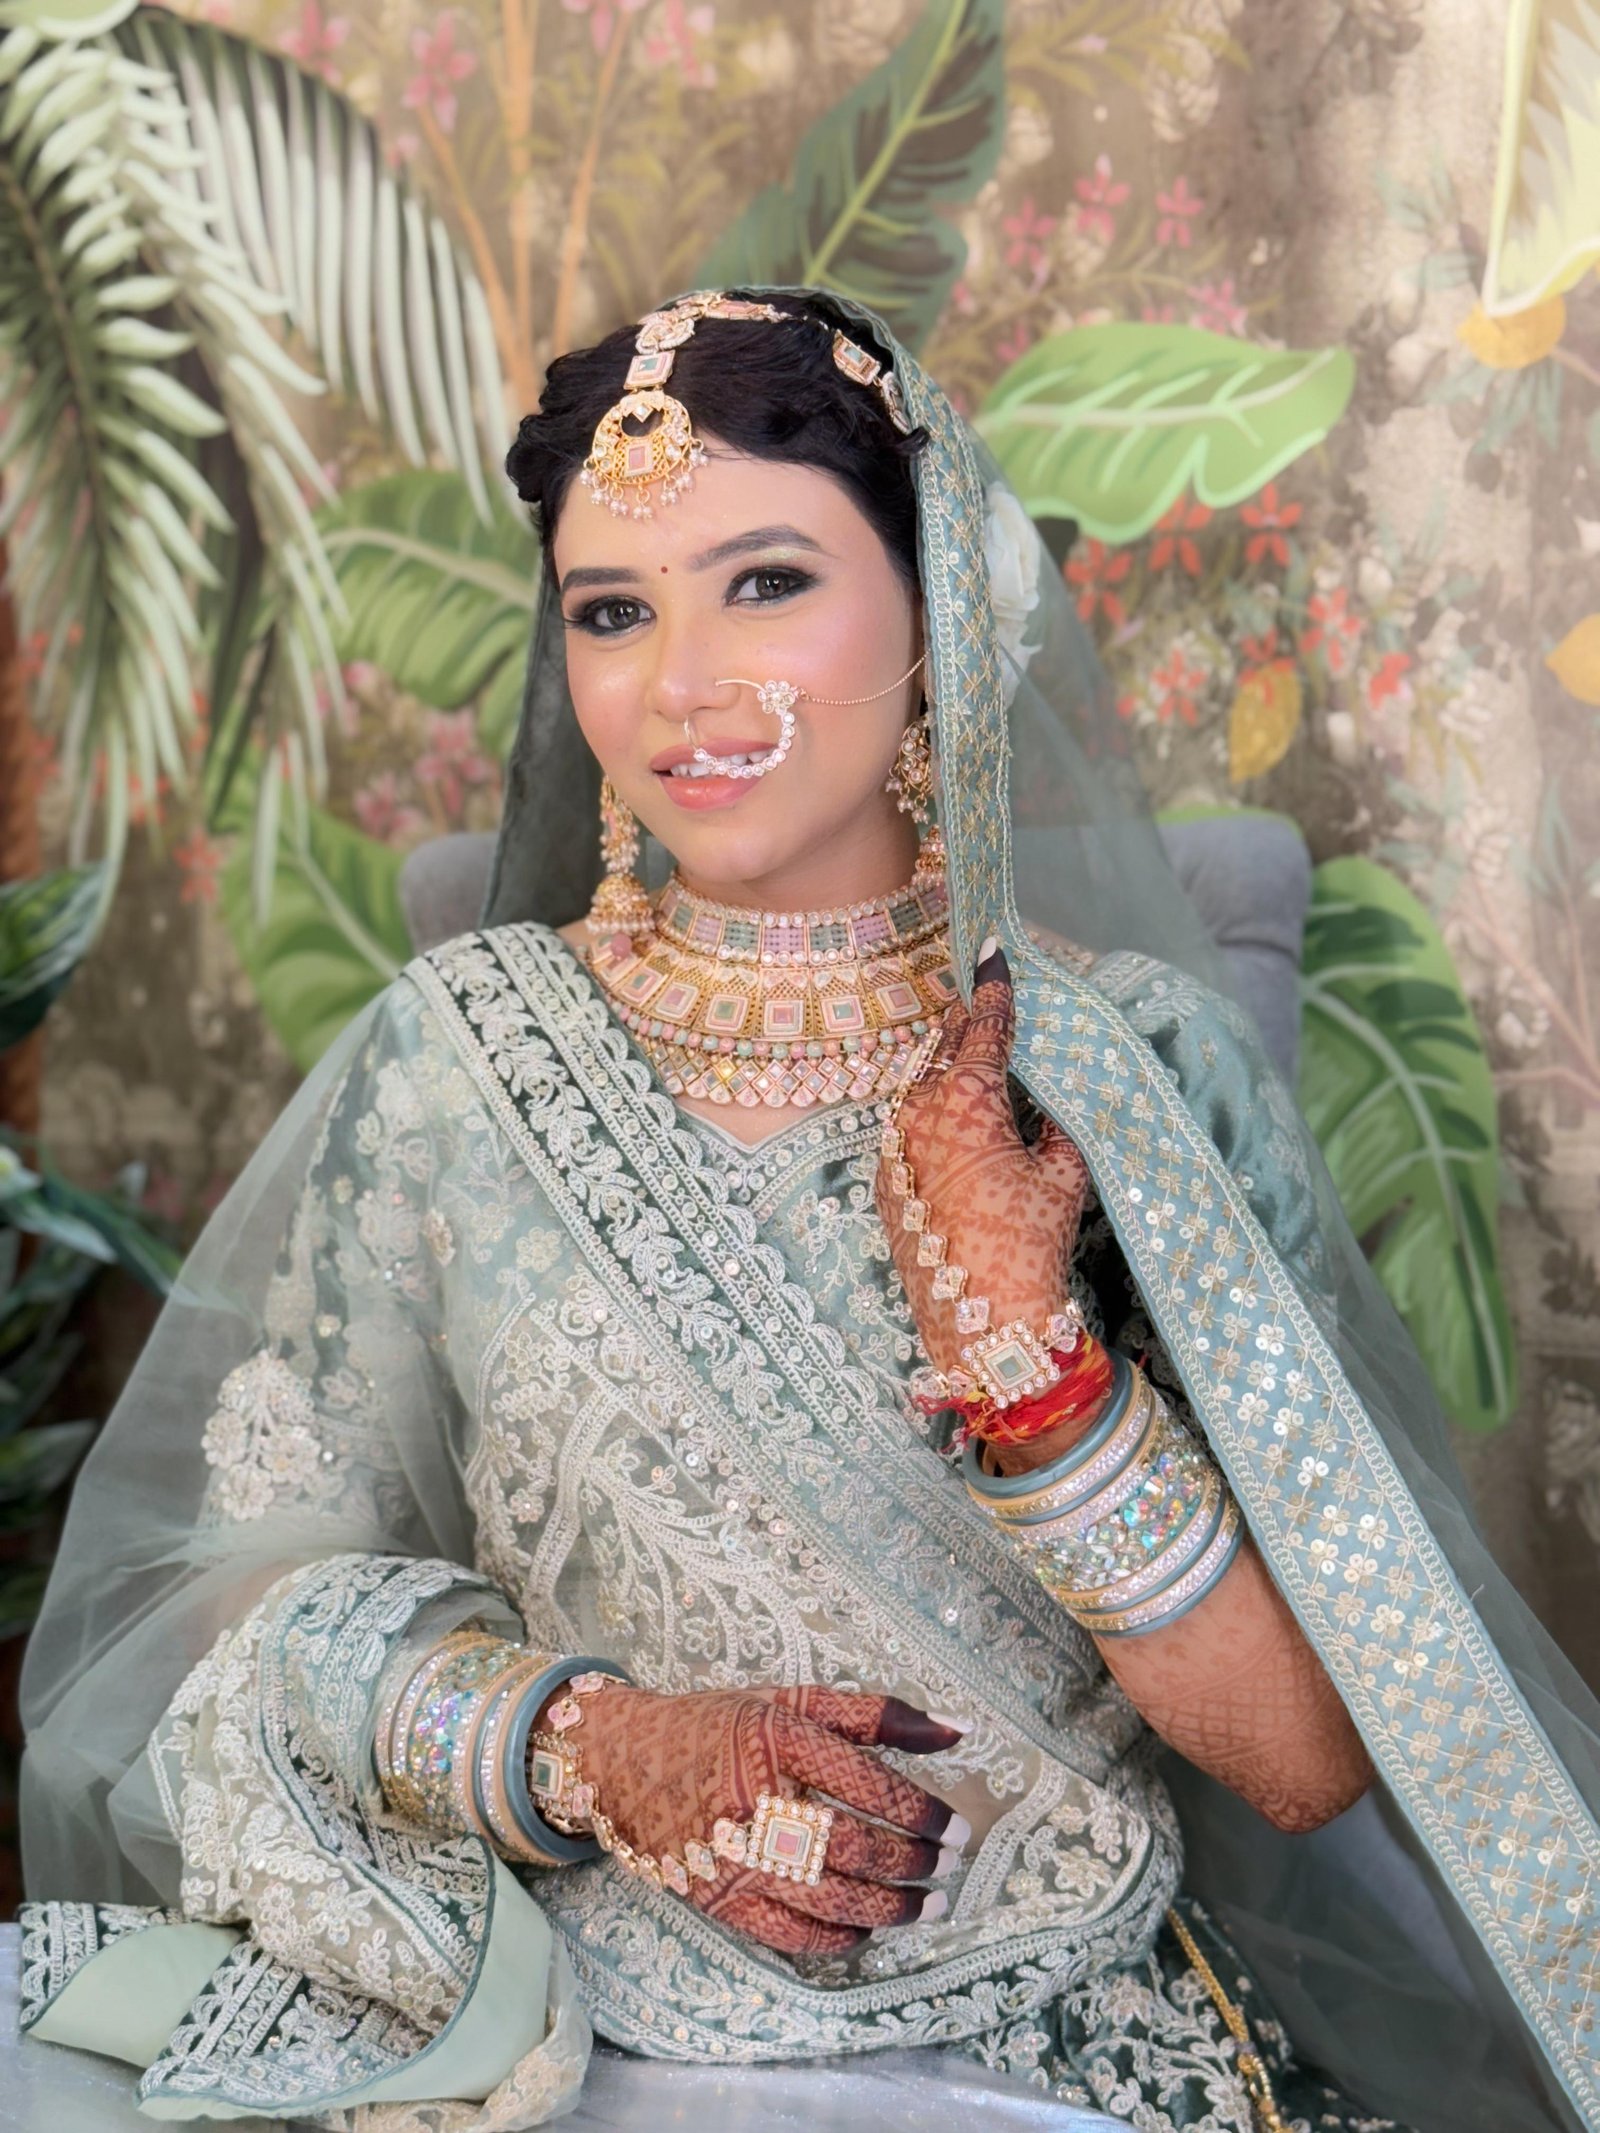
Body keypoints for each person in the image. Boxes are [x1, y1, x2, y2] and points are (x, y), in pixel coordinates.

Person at [17, 288, 1600, 2133]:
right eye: (614, 610)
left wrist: (1041, 1382)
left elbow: (1311, 1756)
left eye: (764, 583)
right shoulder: (460, 1054)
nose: (681, 684)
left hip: (1057, 2039)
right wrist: (579, 1742)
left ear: (936, 616)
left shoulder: (1126, 1071)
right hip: (561, 2028)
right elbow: (226, 1602)